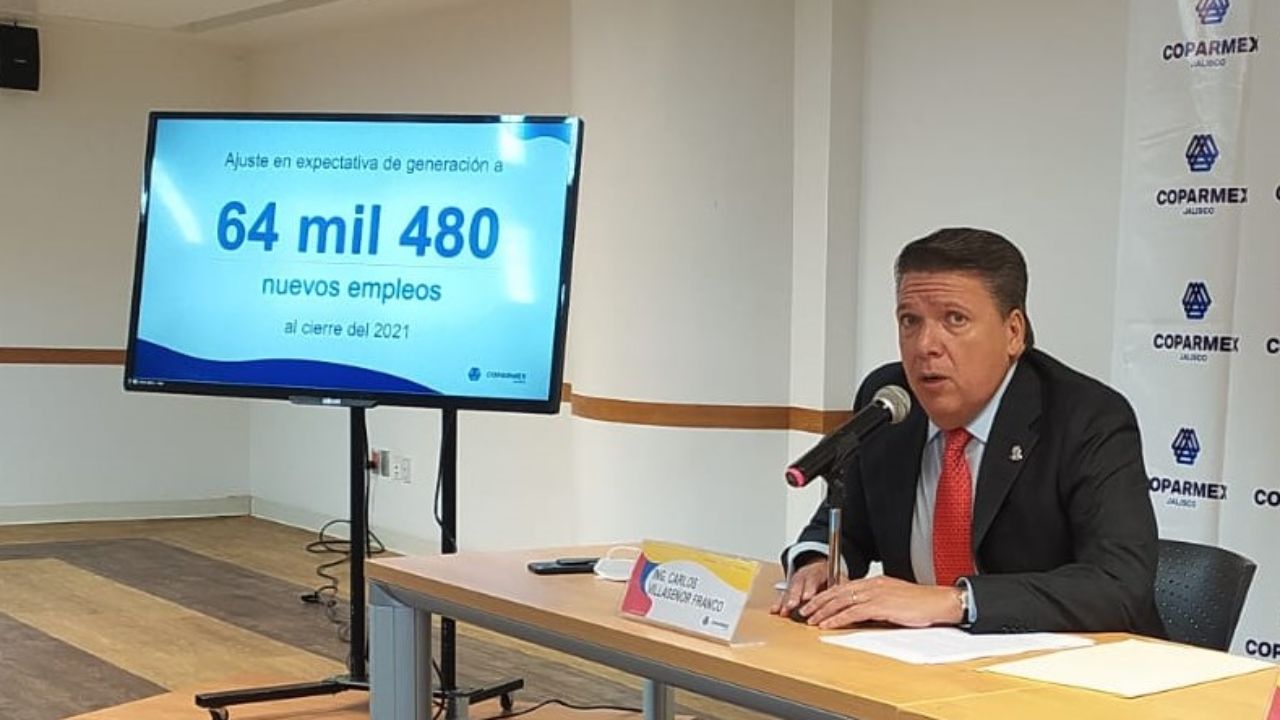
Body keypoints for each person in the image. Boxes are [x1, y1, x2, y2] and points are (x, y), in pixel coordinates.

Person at [770, 227, 1164, 636]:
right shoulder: (890, 400)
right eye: (910, 321)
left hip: (1066, 660)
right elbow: (848, 520)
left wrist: (955, 601)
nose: (925, 345)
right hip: (921, 657)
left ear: (1013, 332)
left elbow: (1118, 585)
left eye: (954, 319)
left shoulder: (1086, 418)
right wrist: (818, 561)